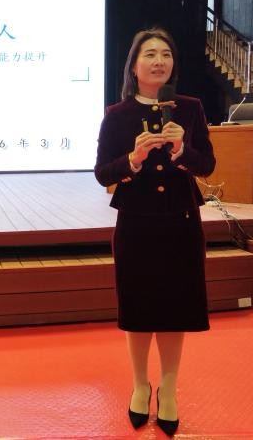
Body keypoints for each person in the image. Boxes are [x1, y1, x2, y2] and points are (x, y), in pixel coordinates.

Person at [94, 27, 215, 436]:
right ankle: (140, 385)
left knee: (176, 306)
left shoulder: (190, 108)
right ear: (134, 65)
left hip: (181, 220)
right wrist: (133, 157)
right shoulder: (118, 114)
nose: (159, 61)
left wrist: (182, 150)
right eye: (149, 54)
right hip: (136, 222)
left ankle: (169, 387)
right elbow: (102, 173)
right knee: (139, 305)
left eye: (166, 53)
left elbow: (207, 165)